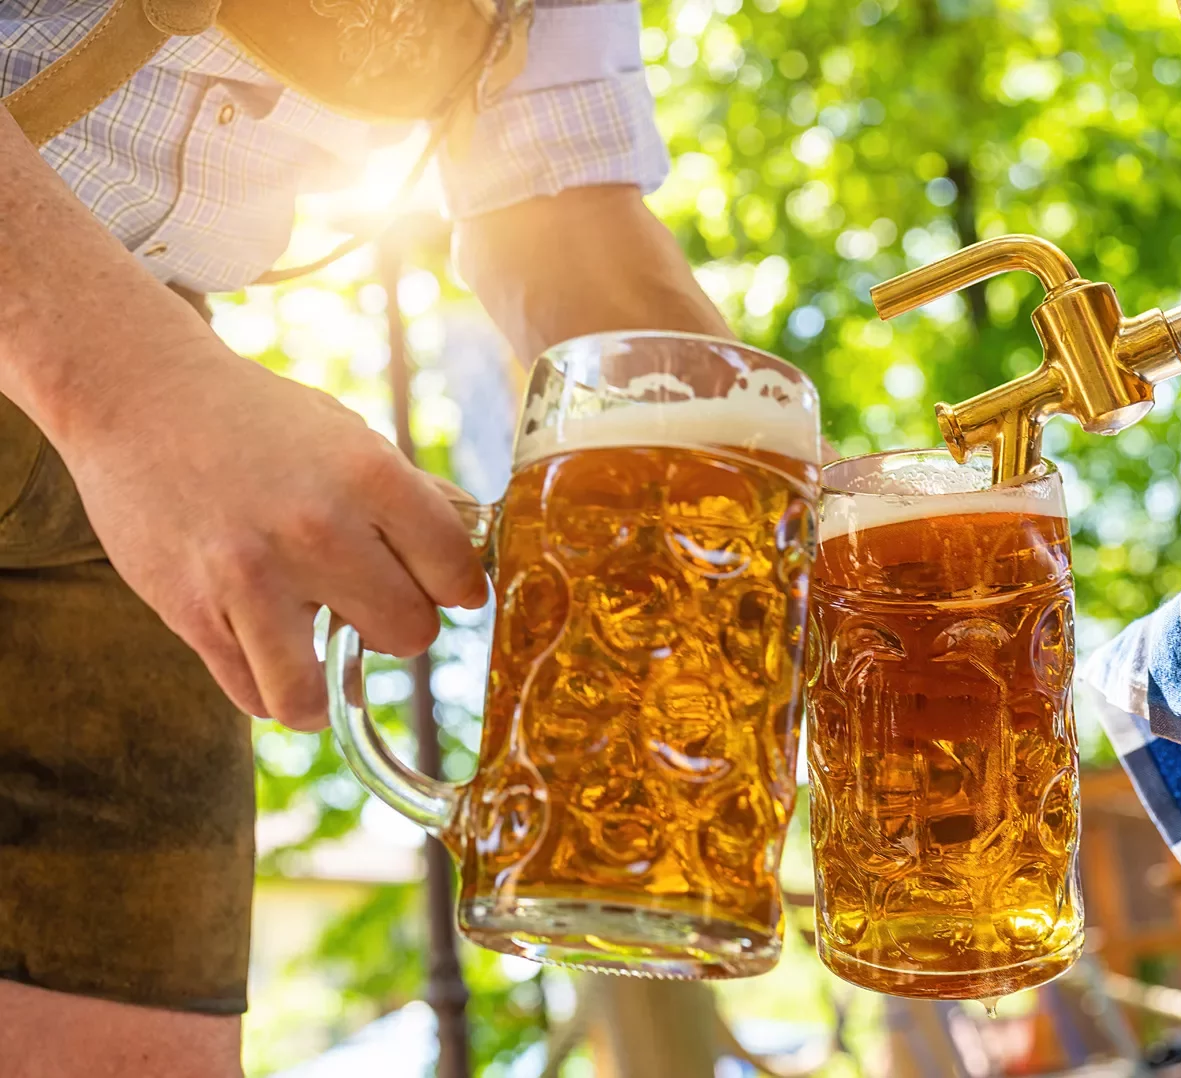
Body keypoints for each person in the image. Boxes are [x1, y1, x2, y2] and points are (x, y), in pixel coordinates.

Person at [0, 2, 735, 1074]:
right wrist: (124, 380)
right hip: (137, 394)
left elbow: (561, 219)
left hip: (145, 479)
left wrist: (748, 517)